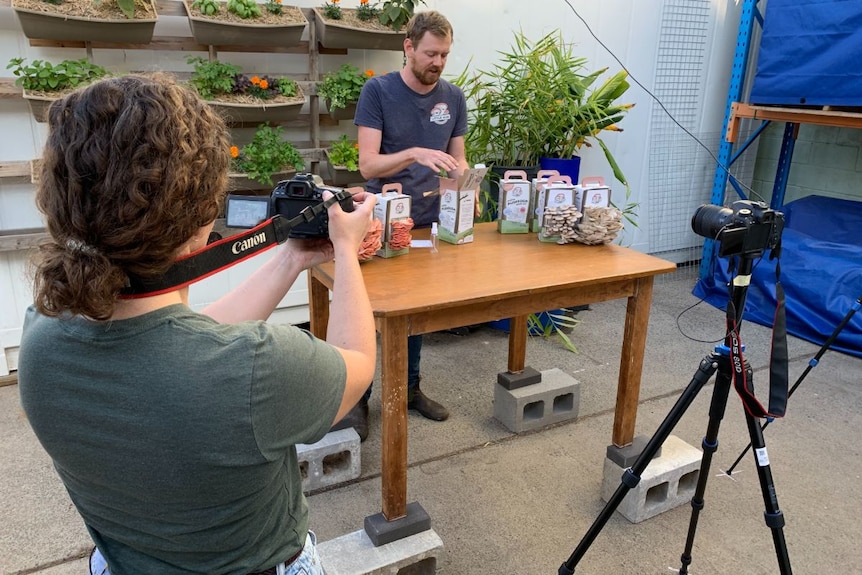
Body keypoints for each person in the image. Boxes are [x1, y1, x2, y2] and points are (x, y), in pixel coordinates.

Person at [17, 73, 378, 575]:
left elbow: (180, 347)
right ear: (200, 218)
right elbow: (358, 365)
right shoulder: (258, 365)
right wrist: (345, 251)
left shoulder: (39, 338)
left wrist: (291, 258)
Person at [335, 10, 470, 441]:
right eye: (431, 53)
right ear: (408, 47)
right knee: (367, 315)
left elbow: (458, 159)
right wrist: (414, 152)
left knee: (414, 314)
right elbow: (367, 163)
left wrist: (463, 177)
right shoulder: (378, 91)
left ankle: (410, 390)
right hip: (382, 221)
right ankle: (358, 399)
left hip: (429, 222)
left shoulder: (454, 97)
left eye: (445, 55)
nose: (438, 62)